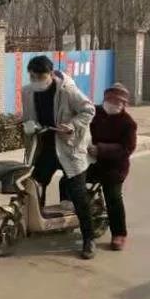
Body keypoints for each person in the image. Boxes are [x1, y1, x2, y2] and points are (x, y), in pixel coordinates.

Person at [22, 55, 97, 259]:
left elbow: (89, 110)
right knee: (35, 185)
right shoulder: (28, 91)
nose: (36, 80)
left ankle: (88, 239)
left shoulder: (67, 90)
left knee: (78, 194)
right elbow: (28, 117)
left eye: (39, 77)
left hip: (69, 148)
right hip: (45, 147)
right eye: (32, 76)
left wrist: (72, 125)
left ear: (50, 74)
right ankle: (38, 224)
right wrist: (27, 125)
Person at [86, 83, 137, 251]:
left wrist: (101, 149)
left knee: (113, 197)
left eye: (119, 102)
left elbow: (127, 149)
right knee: (70, 181)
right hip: (91, 161)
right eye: (111, 100)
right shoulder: (94, 113)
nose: (114, 104)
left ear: (124, 104)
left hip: (115, 167)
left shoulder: (128, 123)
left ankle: (119, 234)